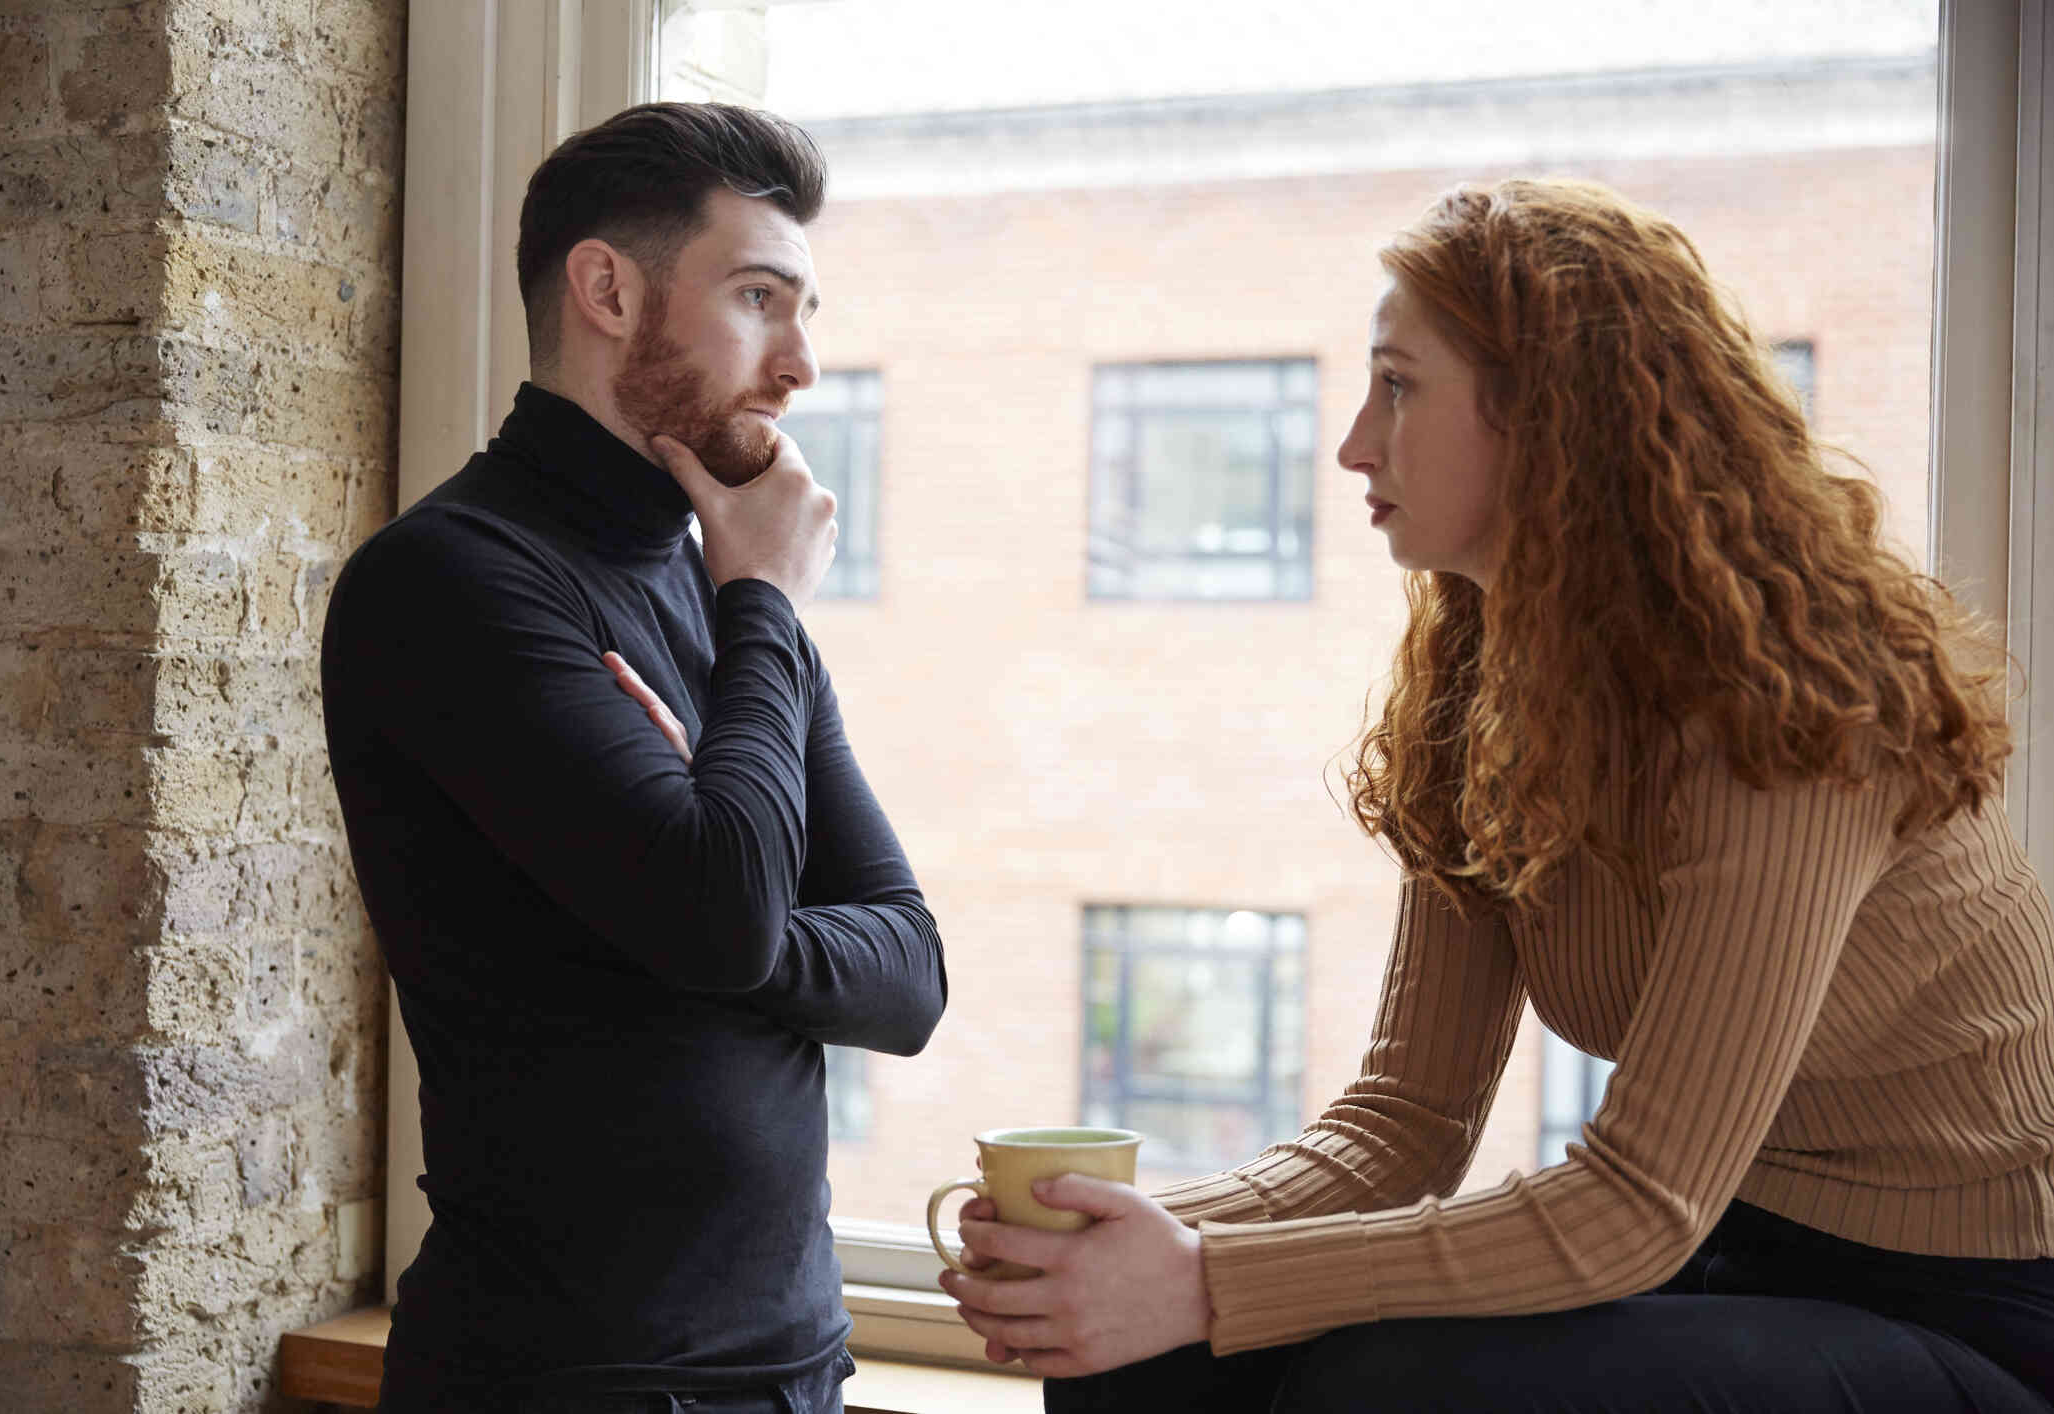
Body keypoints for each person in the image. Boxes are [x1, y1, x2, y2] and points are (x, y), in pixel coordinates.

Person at [942, 178, 2054, 1413]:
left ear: (1549, 419)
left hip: (1974, 1305)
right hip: (1731, 1257)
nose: (1355, 441)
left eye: (1399, 385)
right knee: (1137, 1350)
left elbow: (1639, 1203)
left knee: (1393, 1381)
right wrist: (1109, 1252)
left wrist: (1205, 1275)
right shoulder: (1487, 686)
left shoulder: (1791, 713)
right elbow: (1403, 1121)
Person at [321, 102, 946, 1414]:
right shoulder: (452, 583)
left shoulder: (718, 584)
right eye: (762, 298)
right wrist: (764, 612)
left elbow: (908, 971)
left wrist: (725, 910)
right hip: (567, 1386)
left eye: (808, 309)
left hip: (793, 1368)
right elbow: (717, 915)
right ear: (606, 287)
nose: (801, 366)